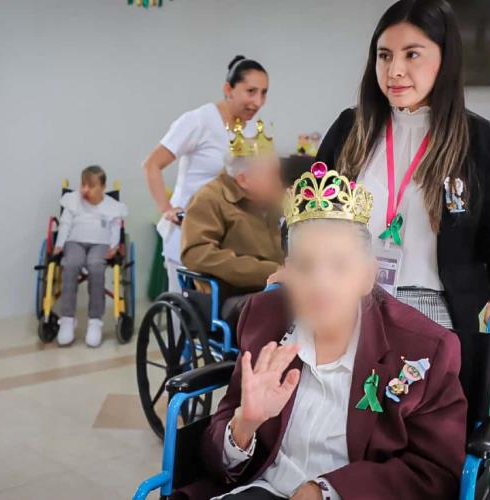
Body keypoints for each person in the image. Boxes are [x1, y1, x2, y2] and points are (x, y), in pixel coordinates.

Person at [188, 165, 467, 500]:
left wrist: (324, 491)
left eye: (339, 266)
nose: (321, 284)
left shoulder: (426, 348)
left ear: (367, 275)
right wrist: (244, 424)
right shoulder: (264, 319)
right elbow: (214, 458)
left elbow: (435, 473)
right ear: (288, 272)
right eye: (305, 266)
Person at [314, 1, 490, 362]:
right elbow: (307, 214)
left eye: (412, 55)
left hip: (433, 309)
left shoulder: (481, 142)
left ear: (446, 60)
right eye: (384, 56)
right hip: (344, 300)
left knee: (414, 414)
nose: (394, 70)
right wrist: (294, 261)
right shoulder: (350, 130)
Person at [143, 55, 269, 297]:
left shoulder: (253, 128)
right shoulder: (199, 121)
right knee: (184, 313)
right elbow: (151, 165)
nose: (258, 101)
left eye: (264, 93)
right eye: (251, 91)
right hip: (190, 233)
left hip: (228, 239)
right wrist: (167, 208)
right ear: (228, 89)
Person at [180, 120, 284, 325]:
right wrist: (271, 271)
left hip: (278, 285)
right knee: (279, 307)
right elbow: (196, 254)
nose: (279, 182)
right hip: (232, 296)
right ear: (244, 179)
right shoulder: (209, 199)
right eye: (272, 175)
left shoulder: (273, 200)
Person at [53, 165, 127, 347]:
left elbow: (116, 228)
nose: (85, 189)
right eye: (83, 184)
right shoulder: (73, 201)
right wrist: (59, 244)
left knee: (96, 267)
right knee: (70, 265)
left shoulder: (112, 206)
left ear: (102, 187)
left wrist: (113, 246)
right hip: (74, 242)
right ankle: (67, 319)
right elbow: (64, 224)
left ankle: (95, 322)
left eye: (91, 186)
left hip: (100, 244)